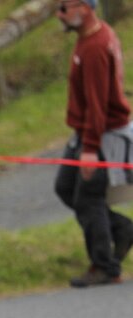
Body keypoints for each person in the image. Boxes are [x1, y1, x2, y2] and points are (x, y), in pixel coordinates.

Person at [53, 0, 133, 287]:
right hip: (85, 131)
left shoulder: (95, 48)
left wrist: (89, 149)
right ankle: (122, 229)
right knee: (65, 187)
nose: (59, 14)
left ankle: (104, 266)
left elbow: (98, 105)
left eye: (64, 8)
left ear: (84, 8)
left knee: (88, 198)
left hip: (101, 134)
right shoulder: (89, 37)